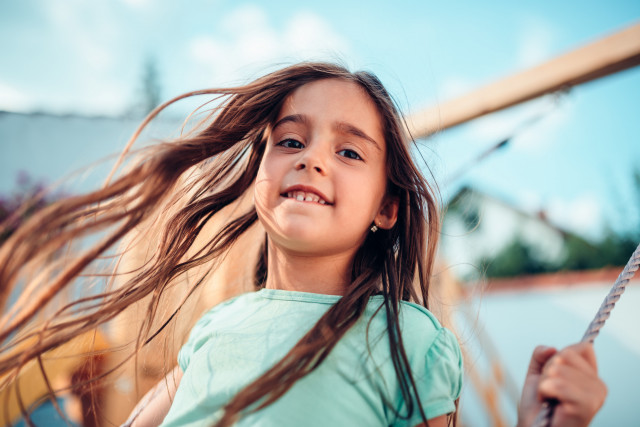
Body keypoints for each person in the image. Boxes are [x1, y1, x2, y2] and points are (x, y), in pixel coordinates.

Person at [0, 63, 606, 427]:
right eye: (290, 141)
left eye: (348, 151)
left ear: (387, 208)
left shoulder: (407, 338)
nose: (312, 158)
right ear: (259, 174)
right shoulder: (214, 329)